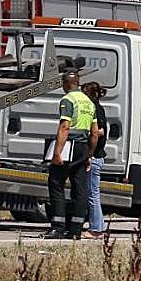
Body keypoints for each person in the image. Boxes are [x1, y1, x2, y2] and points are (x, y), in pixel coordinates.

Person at [43, 71, 99, 240]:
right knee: (80, 188)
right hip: (83, 147)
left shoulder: (68, 99)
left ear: (66, 83)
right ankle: (76, 229)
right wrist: (89, 155)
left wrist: (57, 152)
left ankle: (58, 227)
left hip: (69, 146)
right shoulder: (89, 103)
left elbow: (65, 127)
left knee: (56, 183)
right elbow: (95, 133)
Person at [81, 81, 108, 239]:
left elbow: (99, 131)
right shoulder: (97, 108)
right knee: (92, 193)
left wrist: (90, 154)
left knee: (92, 194)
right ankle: (97, 225)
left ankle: (96, 228)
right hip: (97, 156)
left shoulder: (96, 109)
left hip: (95, 156)